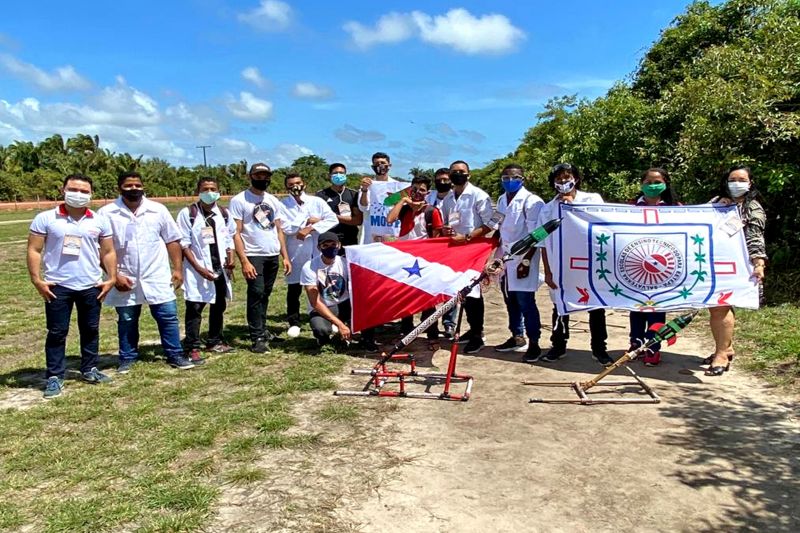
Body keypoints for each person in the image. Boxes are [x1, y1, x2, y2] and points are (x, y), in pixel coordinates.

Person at [27, 174, 117, 398]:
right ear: (63, 190)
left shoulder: (98, 220)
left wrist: (112, 278)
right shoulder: (46, 218)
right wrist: (37, 280)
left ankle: (89, 369)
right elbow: (34, 250)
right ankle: (55, 376)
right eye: (74, 189)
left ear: (91, 194)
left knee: (91, 329)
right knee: (57, 332)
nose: (79, 194)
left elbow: (108, 251)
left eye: (84, 191)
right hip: (57, 285)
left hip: (91, 284)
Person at [100, 172, 194, 373]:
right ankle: (127, 357)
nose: (134, 188)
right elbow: (100, 249)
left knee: (167, 316)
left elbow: (172, 240)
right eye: (128, 185)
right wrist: (114, 275)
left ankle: (175, 353)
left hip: (156, 274)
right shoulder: (107, 213)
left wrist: (177, 268)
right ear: (119, 188)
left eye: (137, 185)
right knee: (126, 319)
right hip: (124, 274)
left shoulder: (157, 210)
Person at [537, 163, 612, 366]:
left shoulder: (592, 199)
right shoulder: (547, 209)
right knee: (560, 306)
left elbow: (602, 224)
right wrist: (549, 271)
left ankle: (599, 349)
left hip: (589, 263)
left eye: (567, 177)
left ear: (576, 179)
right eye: (558, 178)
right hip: (559, 264)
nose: (563, 181)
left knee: (595, 306)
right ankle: (558, 346)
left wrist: (573, 207)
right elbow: (542, 242)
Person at [705, 165, 767, 376]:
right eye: (733, 179)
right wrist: (716, 210)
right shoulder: (715, 202)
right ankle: (725, 348)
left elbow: (755, 238)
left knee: (721, 306)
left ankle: (721, 355)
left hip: (739, 265)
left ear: (750, 184)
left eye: (742, 179)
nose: (737, 183)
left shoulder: (753, 208)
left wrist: (759, 264)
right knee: (717, 306)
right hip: (714, 262)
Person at [229, 163, 292, 354]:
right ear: (250, 176)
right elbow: (236, 232)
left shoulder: (273, 200)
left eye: (266, 175)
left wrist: (285, 256)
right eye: (258, 175)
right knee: (256, 294)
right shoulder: (240, 200)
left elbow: (279, 230)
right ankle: (256, 336)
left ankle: (263, 330)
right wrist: (244, 260)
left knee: (265, 294)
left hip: (272, 254)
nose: (262, 179)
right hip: (254, 254)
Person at [176, 177, 236, 362]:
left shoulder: (223, 213)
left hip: (219, 268)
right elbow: (184, 244)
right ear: (198, 191)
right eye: (205, 189)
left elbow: (230, 237)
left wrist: (231, 258)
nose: (209, 192)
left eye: (213, 188)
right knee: (195, 307)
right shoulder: (189, 214)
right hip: (198, 269)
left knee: (219, 305)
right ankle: (192, 346)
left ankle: (214, 340)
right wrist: (198, 268)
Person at [493, 164, 545, 363]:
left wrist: (526, 260)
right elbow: (497, 225)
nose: (509, 181)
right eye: (505, 177)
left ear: (523, 179)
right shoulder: (501, 199)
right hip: (505, 257)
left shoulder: (532, 202)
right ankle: (516, 336)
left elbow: (538, 234)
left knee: (526, 302)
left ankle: (534, 343)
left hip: (524, 258)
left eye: (513, 177)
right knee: (510, 300)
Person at [628, 168, 680, 366]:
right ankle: (636, 344)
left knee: (657, 309)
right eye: (648, 182)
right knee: (635, 307)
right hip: (636, 265)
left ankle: (653, 347)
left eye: (657, 181)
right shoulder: (630, 208)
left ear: (665, 183)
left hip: (663, 267)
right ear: (641, 184)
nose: (652, 185)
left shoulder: (676, 208)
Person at [441, 160, 494, 354]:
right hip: (456, 251)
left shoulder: (479, 195)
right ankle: (471, 329)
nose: (458, 174)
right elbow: (449, 222)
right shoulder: (448, 198)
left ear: (468, 174)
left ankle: (478, 334)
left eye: (461, 172)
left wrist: (469, 236)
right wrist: (447, 230)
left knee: (473, 293)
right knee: (460, 292)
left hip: (474, 249)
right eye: (454, 171)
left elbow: (490, 224)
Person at [387, 175, 444, 349]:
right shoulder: (404, 210)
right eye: (415, 189)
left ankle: (432, 334)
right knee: (406, 297)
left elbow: (436, 238)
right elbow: (390, 219)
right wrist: (403, 200)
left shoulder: (432, 211)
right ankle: (406, 332)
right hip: (404, 259)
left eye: (422, 190)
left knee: (428, 300)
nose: (418, 193)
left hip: (424, 261)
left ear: (427, 193)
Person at [281, 172, 338, 338]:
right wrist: (307, 220)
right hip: (296, 250)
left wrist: (312, 227)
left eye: (298, 183)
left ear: (304, 183)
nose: (295, 187)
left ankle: (325, 317)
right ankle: (294, 321)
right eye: (291, 185)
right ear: (286, 187)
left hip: (316, 249)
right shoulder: (283, 205)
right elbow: (286, 227)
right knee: (294, 287)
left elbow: (332, 219)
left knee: (320, 285)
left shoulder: (316, 201)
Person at [300, 232, 376, 349]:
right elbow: (315, 302)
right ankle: (325, 339)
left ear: (339, 245)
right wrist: (340, 325)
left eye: (333, 244)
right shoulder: (309, 267)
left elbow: (359, 288)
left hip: (344, 303)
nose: (330, 248)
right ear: (319, 248)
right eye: (325, 245)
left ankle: (367, 340)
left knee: (368, 307)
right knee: (321, 329)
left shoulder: (345, 263)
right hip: (323, 305)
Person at [425, 168, 457, 338]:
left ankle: (449, 323)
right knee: (429, 286)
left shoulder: (455, 198)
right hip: (429, 247)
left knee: (449, 286)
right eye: (439, 179)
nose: (442, 182)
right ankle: (430, 322)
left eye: (446, 179)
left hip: (451, 247)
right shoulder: (427, 196)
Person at [357, 152, 403, 244]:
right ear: (372, 167)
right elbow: (363, 208)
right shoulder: (367, 185)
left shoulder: (398, 186)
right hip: (372, 234)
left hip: (393, 232)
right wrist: (364, 190)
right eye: (376, 164)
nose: (380, 166)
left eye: (383, 163)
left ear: (389, 165)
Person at [316, 163, 363, 249]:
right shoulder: (320, 195)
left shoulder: (354, 194)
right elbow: (316, 219)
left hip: (350, 239)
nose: (339, 175)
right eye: (335, 173)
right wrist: (345, 219)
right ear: (330, 176)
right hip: (328, 240)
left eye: (341, 173)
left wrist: (331, 217)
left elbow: (358, 221)